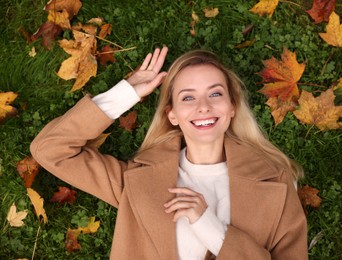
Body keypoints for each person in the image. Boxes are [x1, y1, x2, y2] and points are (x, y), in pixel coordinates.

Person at [31, 46, 308, 259]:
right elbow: (50, 149)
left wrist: (210, 227)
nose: (203, 106)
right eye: (188, 97)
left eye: (215, 94)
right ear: (172, 115)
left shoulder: (276, 183)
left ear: (232, 108)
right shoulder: (136, 181)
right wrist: (127, 93)